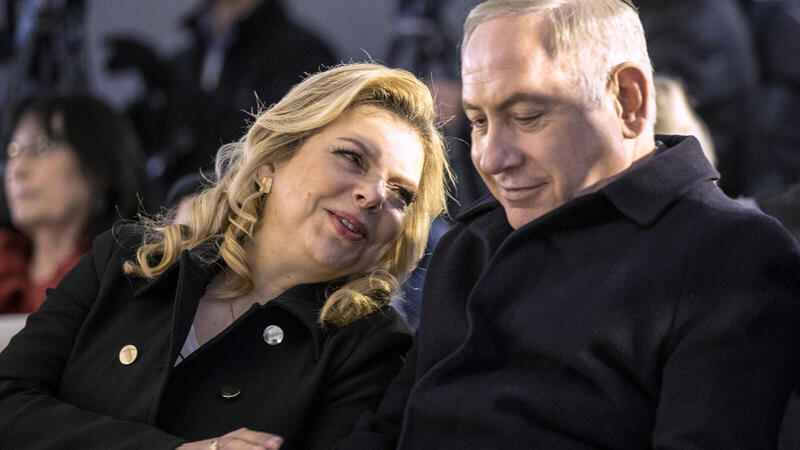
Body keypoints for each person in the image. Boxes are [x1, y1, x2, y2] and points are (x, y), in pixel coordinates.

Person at [337, 1, 800, 448]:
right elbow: (388, 429)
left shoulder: (729, 256)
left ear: (628, 100)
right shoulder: (473, 242)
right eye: (478, 121)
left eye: (527, 117)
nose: (492, 159)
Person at [0, 63, 451, 449]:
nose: (374, 195)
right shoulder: (127, 260)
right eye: (352, 158)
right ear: (274, 159)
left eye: (400, 193)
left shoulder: (370, 348)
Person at [0, 94, 144, 314]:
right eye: (14, 151)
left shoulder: (127, 278)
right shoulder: (5, 266)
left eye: (41, 148)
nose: (17, 169)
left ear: (98, 169)